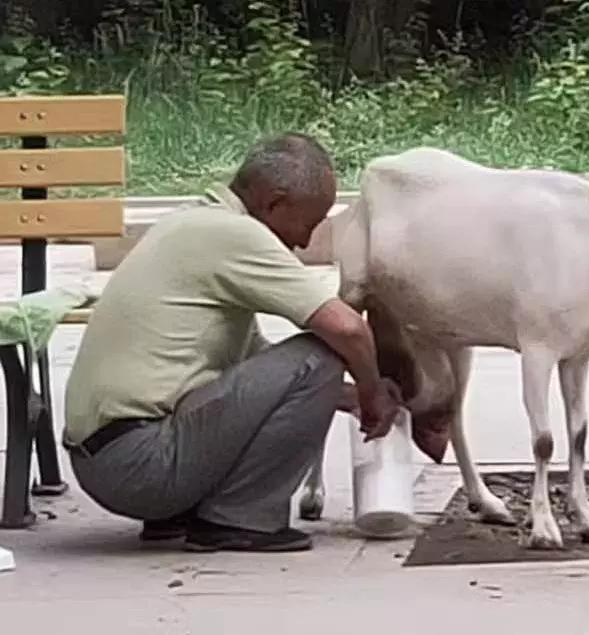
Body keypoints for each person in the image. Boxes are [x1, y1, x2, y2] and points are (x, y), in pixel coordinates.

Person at [62, 133, 402, 553]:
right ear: (275, 203)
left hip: (106, 462)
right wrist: (371, 392)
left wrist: (345, 397)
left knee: (312, 366)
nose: (302, 243)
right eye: (308, 225)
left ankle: (181, 512)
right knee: (322, 354)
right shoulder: (235, 235)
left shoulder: (190, 222)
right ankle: (241, 518)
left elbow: (252, 368)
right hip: (142, 466)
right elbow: (348, 330)